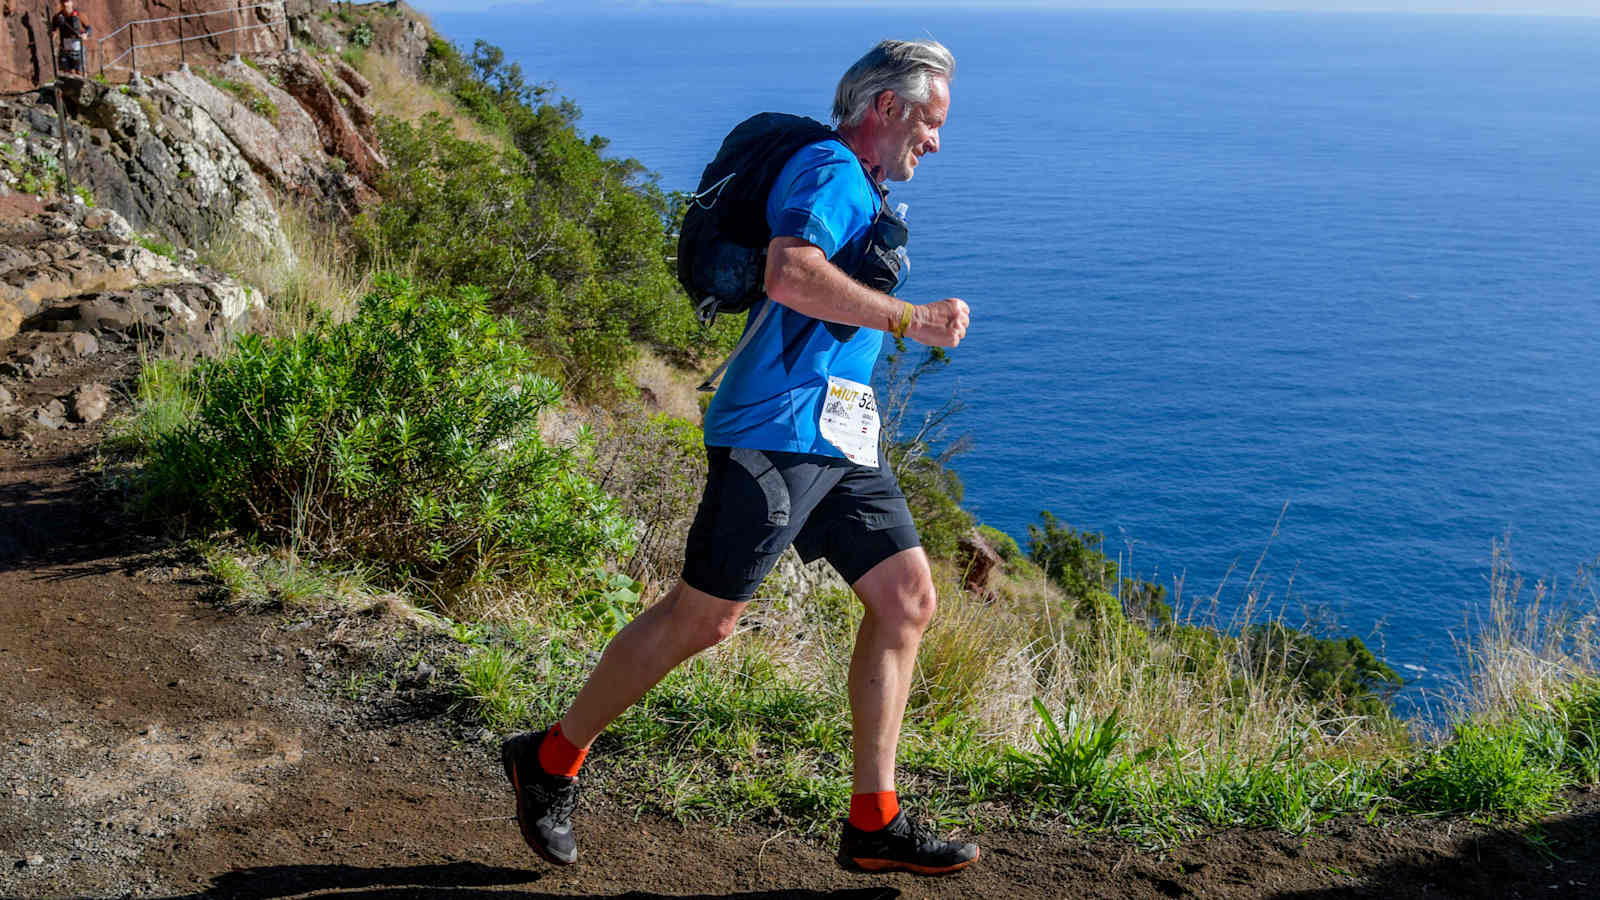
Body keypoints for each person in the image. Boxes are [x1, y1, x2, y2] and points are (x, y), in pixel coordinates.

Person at [500, 39, 977, 876]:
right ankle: (548, 762)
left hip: (841, 437)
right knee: (704, 618)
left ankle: (874, 820)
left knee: (906, 601)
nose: (933, 142)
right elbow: (791, 274)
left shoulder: (859, 181)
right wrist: (911, 321)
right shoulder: (831, 168)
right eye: (929, 122)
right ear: (886, 109)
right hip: (774, 431)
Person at [50, 0, 92, 78]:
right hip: (64, 47)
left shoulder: (79, 15)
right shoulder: (57, 17)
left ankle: (83, 88)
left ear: (71, 2)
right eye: (63, 2)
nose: (66, 4)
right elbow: (53, 30)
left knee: (80, 72)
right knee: (65, 73)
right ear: (61, 3)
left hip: (77, 47)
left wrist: (85, 34)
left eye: (67, 1)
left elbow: (89, 29)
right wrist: (53, 35)